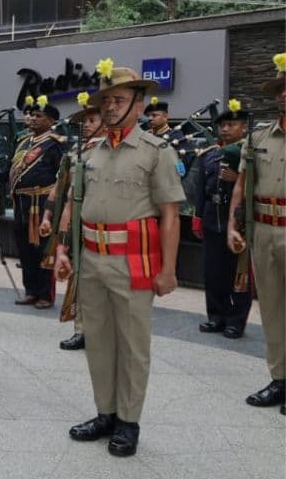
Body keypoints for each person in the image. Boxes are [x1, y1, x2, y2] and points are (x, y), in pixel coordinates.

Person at [56, 64, 184, 457]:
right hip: (92, 257)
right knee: (98, 341)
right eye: (106, 101)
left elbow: (170, 214)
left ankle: (128, 421)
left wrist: (168, 270)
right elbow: (77, 206)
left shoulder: (155, 151)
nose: (110, 107)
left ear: (139, 104)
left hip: (134, 261)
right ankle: (105, 412)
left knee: (132, 345)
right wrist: (66, 250)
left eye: (119, 100)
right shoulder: (91, 152)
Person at [228, 54, 286, 414]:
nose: (283, 95)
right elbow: (242, 185)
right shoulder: (260, 137)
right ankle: (279, 379)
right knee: (272, 309)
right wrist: (234, 224)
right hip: (264, 232)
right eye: (281, 89)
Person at [41, 95, 104, 351]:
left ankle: (101, 332)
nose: (87, 125)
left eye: (92, 119)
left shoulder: (107, 152)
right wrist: (48, 215)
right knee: (80, 282)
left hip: (101, 223)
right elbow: (62, 191)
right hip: (78, 224)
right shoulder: (78, 153)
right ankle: (81, 330)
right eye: (85, 121)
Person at [194, 102, 250, 338]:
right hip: (212, 219)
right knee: (213, 273)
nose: (226, 129)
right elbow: (200, 189)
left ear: (244, 128)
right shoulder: (209, 155)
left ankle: (235, 321)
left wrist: (237, 177)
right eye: (222, 125)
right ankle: (216, 316)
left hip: (239, 223)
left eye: (232, 124)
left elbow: (256, 186)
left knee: (238, 274)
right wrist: (197, 216)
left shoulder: (250, 153)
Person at [9, 99, 64, 309]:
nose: (32, 118)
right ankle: (30, 290)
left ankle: (45, 294)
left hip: (41, 202)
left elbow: (62, 176)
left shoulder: (54, 144)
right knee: (25, 249)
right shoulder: (24, 142)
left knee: (43, 249)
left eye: (38, 116)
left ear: (51, 121)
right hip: (21, 202)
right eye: (31, 115)